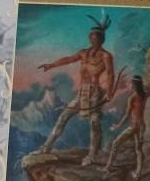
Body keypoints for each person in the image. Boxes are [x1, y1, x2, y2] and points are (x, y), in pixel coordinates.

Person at [37, 14, 119, 166]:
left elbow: (110, 74)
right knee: (63, 117)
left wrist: (109, 92)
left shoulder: (106, 56)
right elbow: (69, 59)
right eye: (92, 38)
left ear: (102, 40)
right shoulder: (83, 53)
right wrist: (51, 65)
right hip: (82, 93)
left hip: (95, 93)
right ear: (90, 39)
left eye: (96, 39)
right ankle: (46, 148)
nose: (93, 41)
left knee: (94, 123)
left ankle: (92, 155)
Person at [103, 75, 150, 179]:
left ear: (134, 85)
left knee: (115, 143)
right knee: (138, 149)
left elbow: (127, 115)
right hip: (141, 126)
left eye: (131, 83)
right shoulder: (144, 94)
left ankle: (108, 167)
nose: (129, 85)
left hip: (134, 126)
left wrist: (118, 125)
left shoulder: (133, 97)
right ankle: (138, 173)